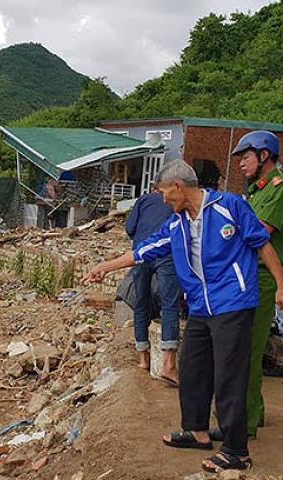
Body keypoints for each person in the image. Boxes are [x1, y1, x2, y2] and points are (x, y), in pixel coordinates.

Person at [83, 160, 283, 473]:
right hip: (201, 307)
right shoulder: (177, 224)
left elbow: (261, 243)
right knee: (191, 368)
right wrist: (103, 267)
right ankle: (198, 431)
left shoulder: (228, 206)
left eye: (164, 193)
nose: (163, 200)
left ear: (178, 186)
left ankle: (236, 451)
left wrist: (282, 284)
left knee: (229, 376)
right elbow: (143, 251)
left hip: (233, 302)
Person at [231, 130, 283, 438]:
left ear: (264, 156)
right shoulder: (258, 190)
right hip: (251, 276)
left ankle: (242, 423)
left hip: (263, 278)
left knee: (246, 350)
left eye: (245, 157)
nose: (240, 164)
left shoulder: (277, 189)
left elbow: (255, 232)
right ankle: (255, 412)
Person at [125, 186, 181, 385]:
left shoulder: (144, 200)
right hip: (166, 254)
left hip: (141, 251)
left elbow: (129, 228)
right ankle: (168, 364)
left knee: (141, 303)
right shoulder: (178, 201)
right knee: (169, 305)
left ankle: (143, 359)